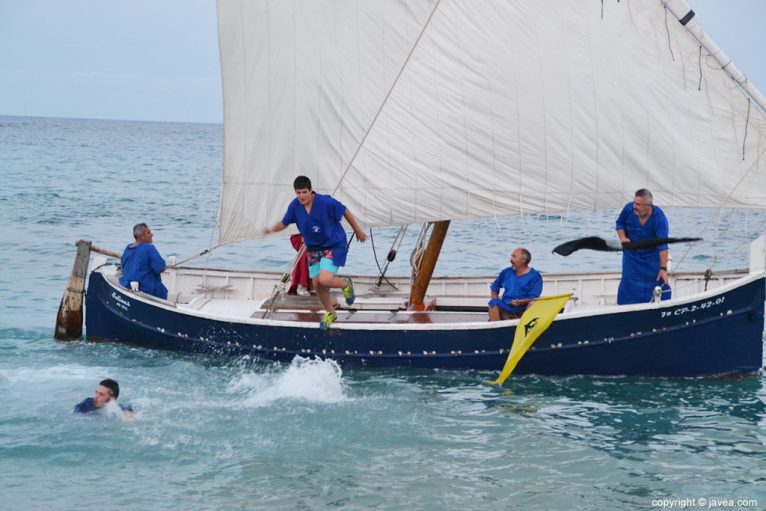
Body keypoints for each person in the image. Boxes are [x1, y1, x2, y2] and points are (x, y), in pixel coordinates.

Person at [264, 176, 367, 330]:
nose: (301, 196)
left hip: (333, 245)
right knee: (317, 285)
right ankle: (331, 313)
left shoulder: (325, 202)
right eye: (298, 193)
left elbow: (345, 211)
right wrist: (271, 229)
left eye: (304, 192)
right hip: (313, 248)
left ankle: (346, 283)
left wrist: (358, 231)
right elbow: (284, 223)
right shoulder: (295, 206)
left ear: (311, 191)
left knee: (325, 279)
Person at [615, 188, 671, 305]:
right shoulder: (628, 209)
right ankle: (624, 310)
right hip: (632, 257)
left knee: (659, 283)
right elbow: (619, 224)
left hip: (652, 258)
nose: (634, 206)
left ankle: (660, 308)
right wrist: (623, 238)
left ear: (648, 206)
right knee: (628, 284)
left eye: (638, 204)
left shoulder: (659, 219)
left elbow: (663, 245)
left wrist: (663, 268)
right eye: (634, 202)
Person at [488, 248, 543, 321]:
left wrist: (520, 302)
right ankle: (495, 329)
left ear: (523, 260)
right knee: (493, 302)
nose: (511, 259)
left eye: (514, 257)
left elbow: (533, 297)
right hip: (506, 305)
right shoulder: (506, 272)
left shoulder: (535, 276)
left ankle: (524, 326)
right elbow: (494, 287)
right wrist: (498, 300)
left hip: (523, 308)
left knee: (534, 303)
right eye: (511, 256)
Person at [119, 223, 168, 299]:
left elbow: (123, 264)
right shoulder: (149, 248)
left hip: (128, 285)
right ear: (142, 237)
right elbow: (161, 268)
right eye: (148, 233)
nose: (152, 235)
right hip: (147, 289)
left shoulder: (128, 247)